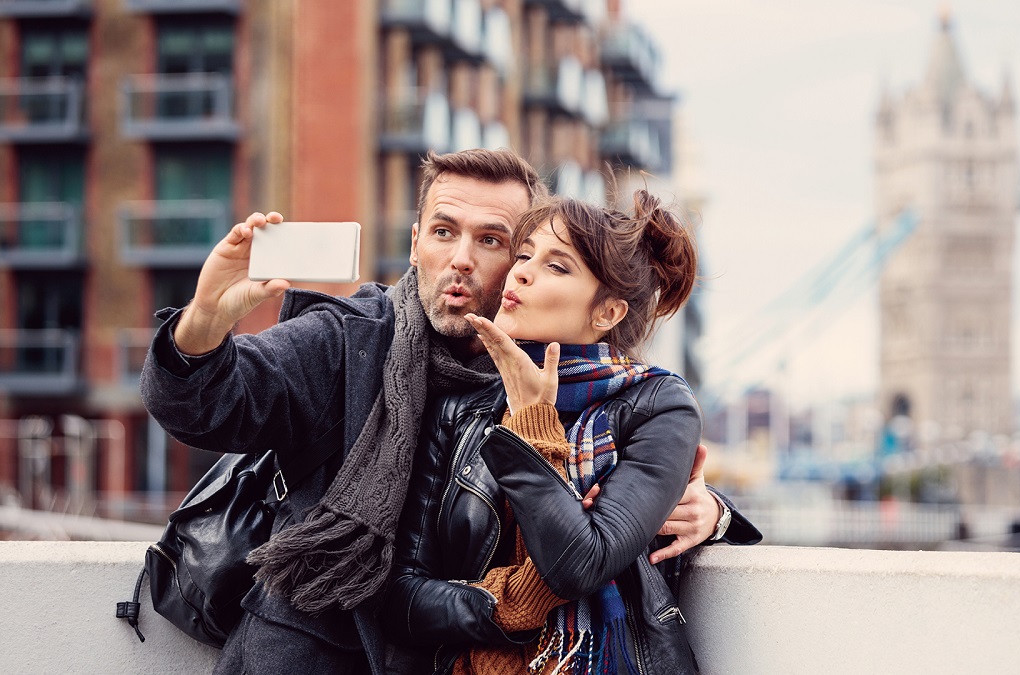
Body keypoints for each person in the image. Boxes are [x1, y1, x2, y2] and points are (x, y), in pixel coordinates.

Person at [139, 149, 755, 675]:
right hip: (306, 649)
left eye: (491, 240)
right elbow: (212, 408)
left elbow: (613, 490)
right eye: (442, 232)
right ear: (414, 244)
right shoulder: (350, 338)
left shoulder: (539, 380)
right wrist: (202, 325)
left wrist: (709, 511)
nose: (461, 258)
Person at [386, 192, 761, 674]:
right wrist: (507, 606)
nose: (519, 273)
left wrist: (530, 422)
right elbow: (401, 598)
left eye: (556, 266)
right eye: (524, 256)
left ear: (606, 313)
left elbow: (580, 563)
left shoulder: (657, 405)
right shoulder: (461, 410)